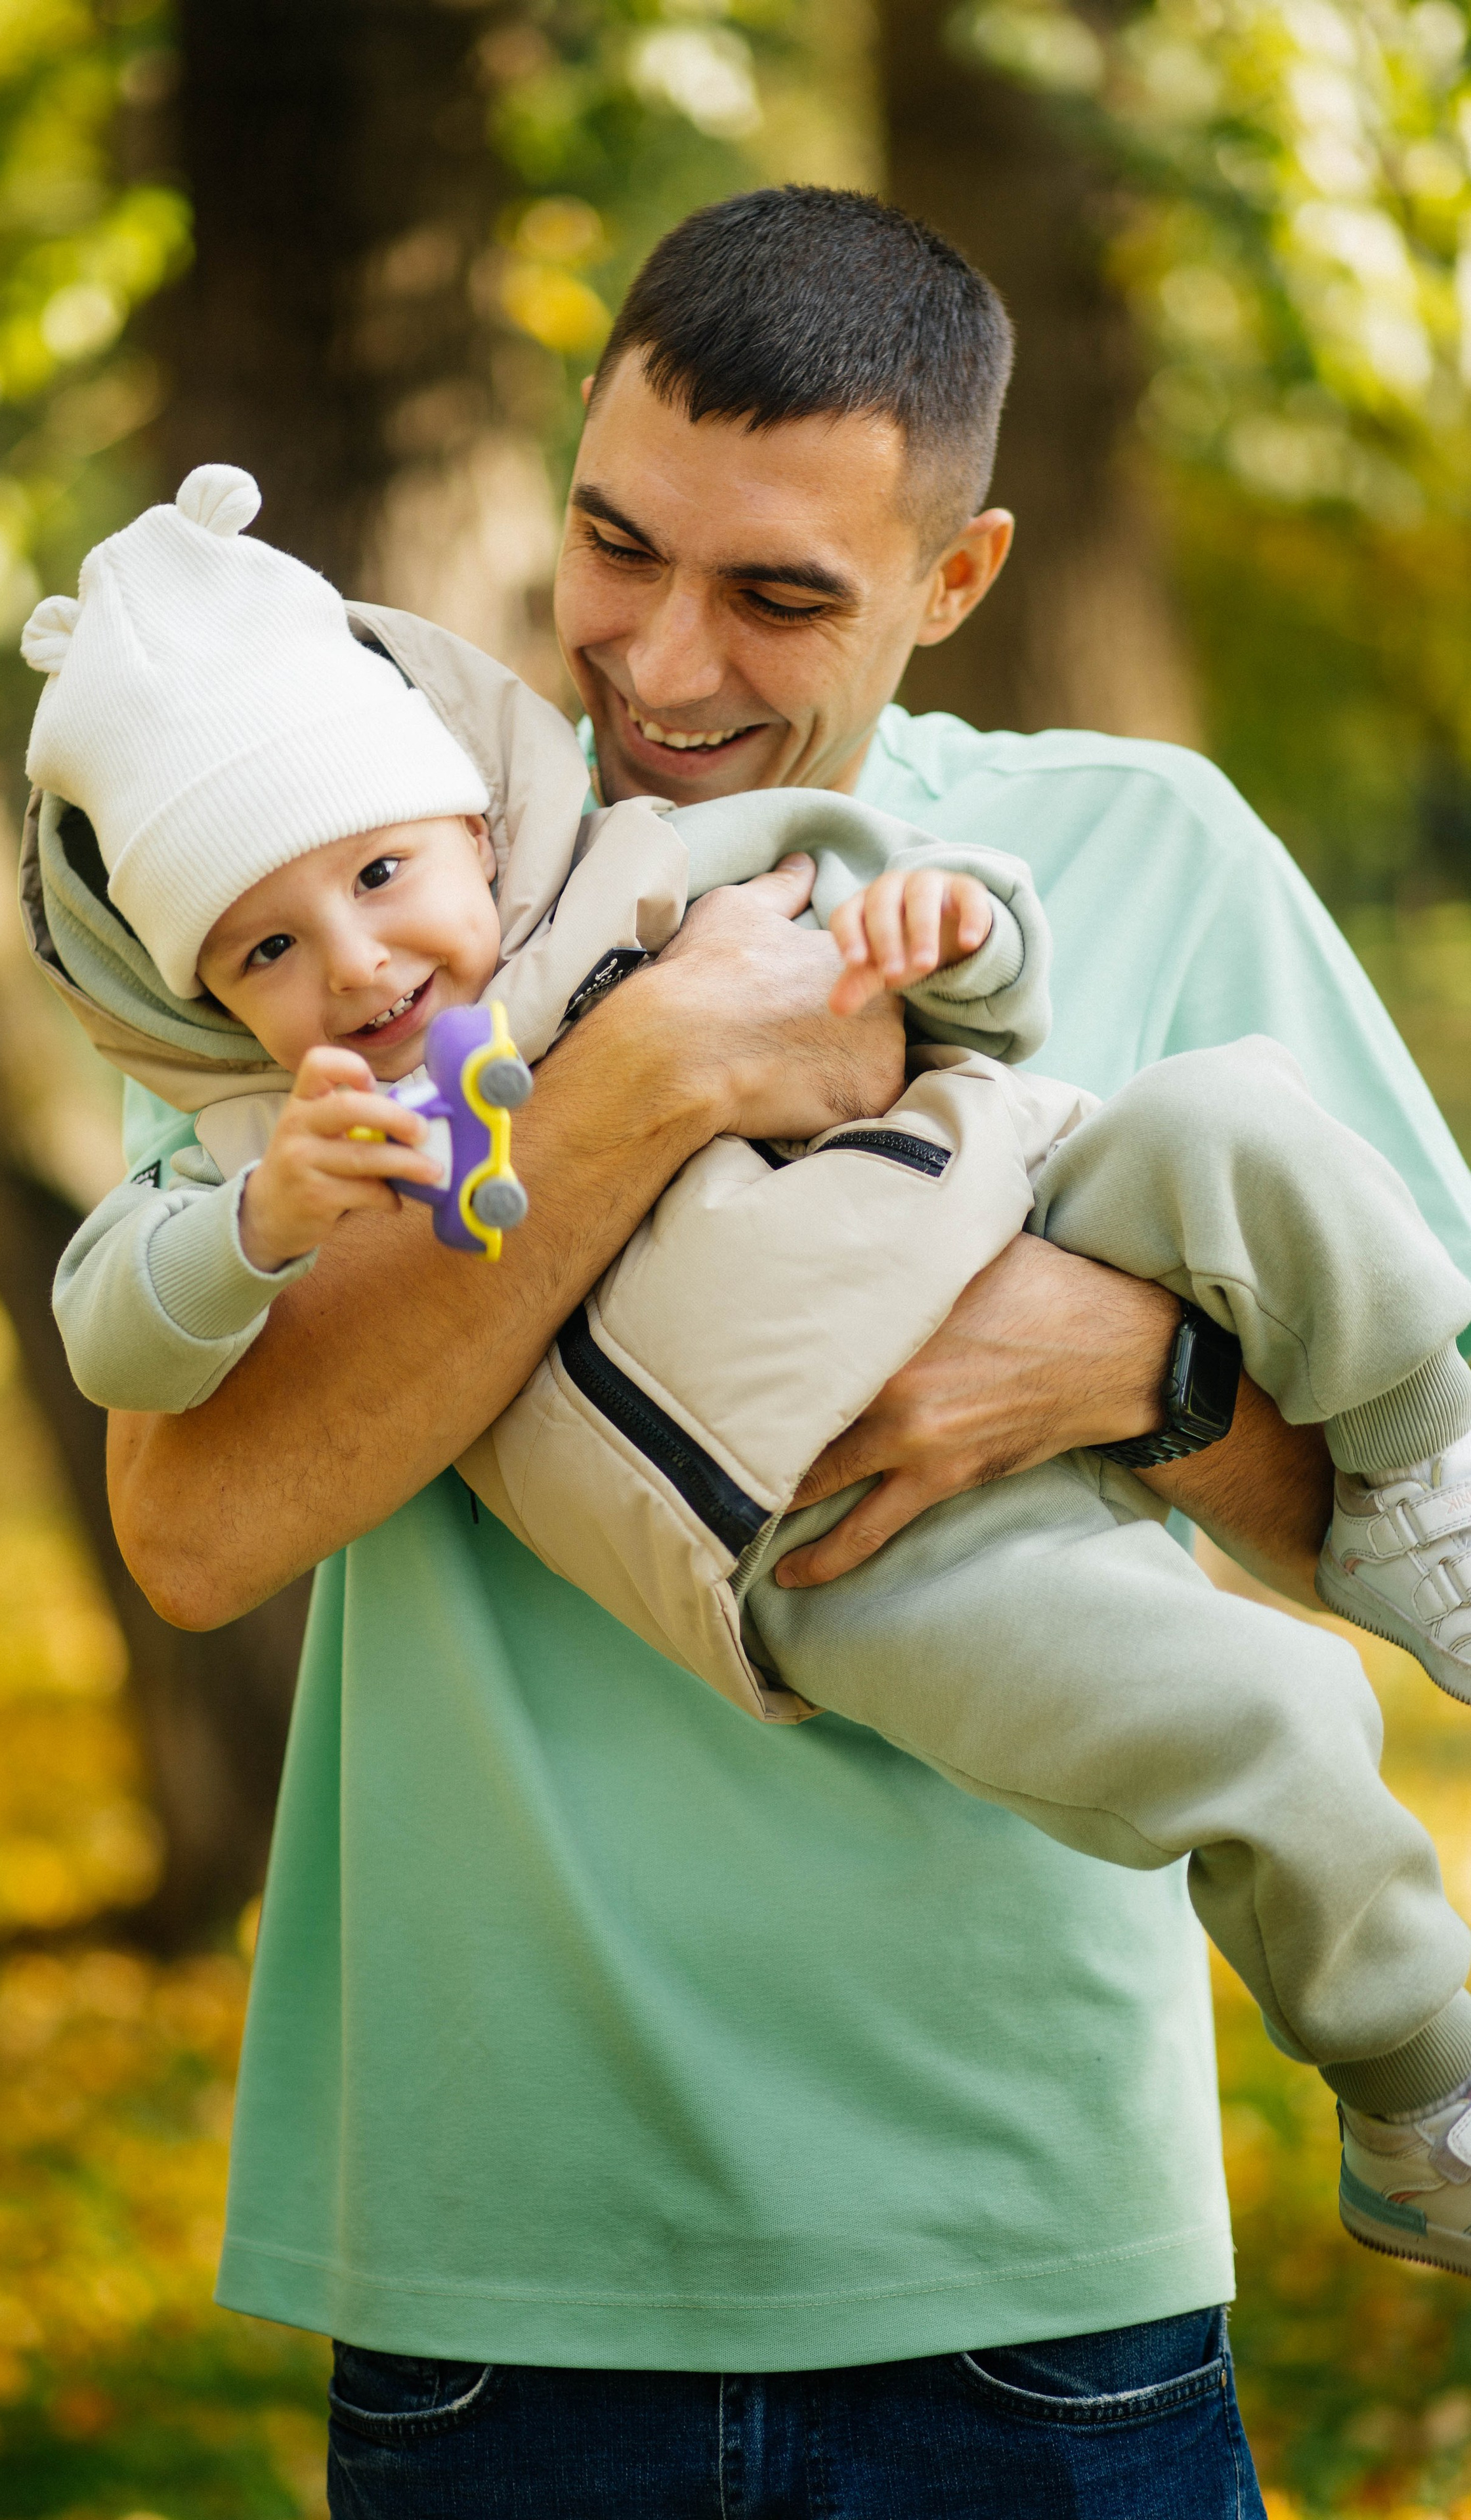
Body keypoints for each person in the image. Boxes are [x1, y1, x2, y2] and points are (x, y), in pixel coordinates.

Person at [97, 189, 1471, 2515]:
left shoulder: (1137, 852)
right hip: (498, 2277)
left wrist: (1146, 1382)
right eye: (616, 544)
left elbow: (1412, 1478)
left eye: (781, 593)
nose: (657, 658)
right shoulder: (334, 895)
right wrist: (635, 1095)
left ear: (955, 581)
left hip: (1029, 2258)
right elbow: (201, 1526)